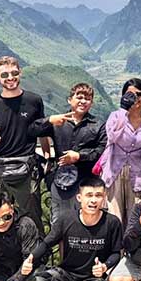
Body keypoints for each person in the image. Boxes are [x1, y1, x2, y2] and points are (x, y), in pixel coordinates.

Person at [24, 176, 123, 281]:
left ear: (104, 197)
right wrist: (31, 257)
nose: (93, 200)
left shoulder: (112, 222)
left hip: (91, 278)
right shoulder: (66, 219)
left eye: (98, 195)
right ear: (79, 198)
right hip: (65, 274)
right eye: (89, 195)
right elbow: (47, 242)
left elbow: (116, 253)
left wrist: (105, 266)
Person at [0, 55, 47, 233]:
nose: (10, 78)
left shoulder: (34, 101)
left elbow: (42, 131)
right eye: (5, 75)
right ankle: (2, 251)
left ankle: (35, 250)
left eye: (14, 73)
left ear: (20, 72)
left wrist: (48, 157)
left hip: (27, 169)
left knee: (32, 218)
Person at [29, 83, 106, 224]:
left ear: (92, 103)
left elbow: (102, 150)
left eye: (87, 98)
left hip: (87, 182)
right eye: (79, 97)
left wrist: (79, 156)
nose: (83, 101)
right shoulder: (59, 121)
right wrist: (49, 121)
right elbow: (32, 130)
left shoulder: (98, 125)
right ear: (70, 100)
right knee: (60, 223)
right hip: (61, 181)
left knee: (87, 222)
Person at [101, 78, 141, 227]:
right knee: (114, 217)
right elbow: (112, 137)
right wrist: (124, 110)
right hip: (114, 172)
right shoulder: (115, 116)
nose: (135, 98)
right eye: (130, 95)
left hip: (138, 175)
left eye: (138, 94)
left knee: (134, 218)